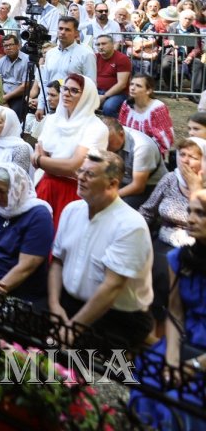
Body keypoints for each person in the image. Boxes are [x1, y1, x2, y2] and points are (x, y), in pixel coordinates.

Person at [49, 150, 154, 351]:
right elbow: (57, 262)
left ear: (112, 184)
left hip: (115, 318)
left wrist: (73, 329)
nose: (80, 177)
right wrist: (54, 306)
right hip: (68, 304)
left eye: (89, 174)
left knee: (76, 370)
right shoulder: (72, 210)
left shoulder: (130, 225)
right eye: (81, 171)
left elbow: (112, 287)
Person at [130, 189, 206, 430]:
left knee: (180, 403)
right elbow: (175, 313)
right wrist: (172, 358)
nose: (190, 219)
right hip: (184, 339)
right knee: (151, 380)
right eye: (190, 211)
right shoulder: (180, 258)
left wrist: (193, 366)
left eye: (201, 214)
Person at [0, 163, 54, 312]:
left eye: (2, 191)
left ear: (17, 190)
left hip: (15, 288)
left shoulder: (39, 215)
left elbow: (26, 267)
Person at [141, 137, 206, 324]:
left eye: (192, 157)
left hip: (196, 247)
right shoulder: (170, 179)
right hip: (163, 240)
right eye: (182, 154)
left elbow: (200, 219)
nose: (184, 161)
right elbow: (147, 211)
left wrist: (195, 189)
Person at [33, 73, 109, 229]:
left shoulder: (96, 127)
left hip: (75, 192)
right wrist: (46, 162)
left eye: (74, 91)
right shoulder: (52, 120)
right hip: (45, 186)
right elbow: (41, 153)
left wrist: (41, 161)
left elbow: (74, 166)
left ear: (86, 96)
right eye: (65, 89)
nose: (66, 94)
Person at [119, 73, 177, 159]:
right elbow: (121, 128)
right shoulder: (126, 104)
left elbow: (166, 139)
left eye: (138, 86)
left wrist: (142, 151)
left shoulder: (158, 108)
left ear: (148, 90)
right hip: (128, 149)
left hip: (150, 153)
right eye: (131, 84)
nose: (132, 88)